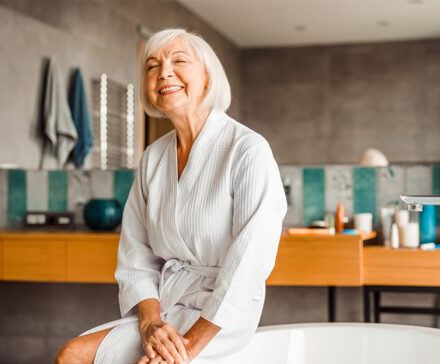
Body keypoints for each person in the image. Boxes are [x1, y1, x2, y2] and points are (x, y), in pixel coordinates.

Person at [55, 28, 287, 364]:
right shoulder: (153, 157)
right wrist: (151, 324)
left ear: (208, 78)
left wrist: (184, 349)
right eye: (152, 66)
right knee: (70, 355)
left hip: (221, 318)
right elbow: (136, 255)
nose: (163, 71)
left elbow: (250, 264)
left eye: (179, 60)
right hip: (166, 309)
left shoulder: (247, 150)